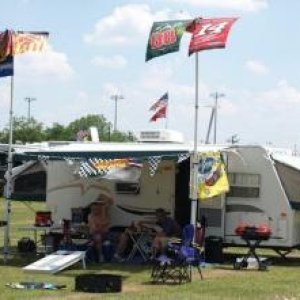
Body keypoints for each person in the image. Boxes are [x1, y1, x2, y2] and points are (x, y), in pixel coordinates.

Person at [114, 208, 181, 261]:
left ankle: (154, 257)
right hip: (172, 238)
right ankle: (153, 257)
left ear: (163, 215)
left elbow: (164, 234)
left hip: (177, 240)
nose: (158, 218)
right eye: (157, 216)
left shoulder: (169, 222)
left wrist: (151, 233)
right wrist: (142, 222)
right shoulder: (163, 221)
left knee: (160, 239)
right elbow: (153, 222)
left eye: (159, 216)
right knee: (156, 238)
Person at [87, 194, 113, 262]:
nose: (95, 209)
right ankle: (100, 255)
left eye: (96, 207)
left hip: (104, 234)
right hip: (94, 235)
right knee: (97, 237)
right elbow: (95, 229)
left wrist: (102, 197)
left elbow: (111, 201)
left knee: (100, 237)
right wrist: (103, 225)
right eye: (93, 208)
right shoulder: (90, 216)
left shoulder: (104, 213)